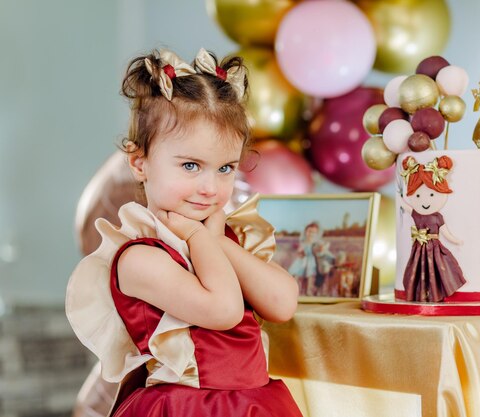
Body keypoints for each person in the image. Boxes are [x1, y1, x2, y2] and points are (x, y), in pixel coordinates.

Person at [65, 48, 302, 417]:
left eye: (225, 168)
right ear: (139, 162)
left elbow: (283, 303)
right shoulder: (140, 257)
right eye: (191, 165)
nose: (210, 187)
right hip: (185, 406)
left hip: (254, 404)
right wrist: (201, 239)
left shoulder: (220, 238)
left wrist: (217, 241)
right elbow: (222, 310)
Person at [398, 155, 466, 302]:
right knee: (417, 269)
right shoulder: (416, 214)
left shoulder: (437, 217)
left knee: (437, 268)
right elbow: (405, 206)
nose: (425, 201)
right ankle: (419, 292)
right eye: (417, 195)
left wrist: (456, 240)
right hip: (418, 248)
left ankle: (436, 292)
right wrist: (399, 194)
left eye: (431, 194)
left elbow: (445, 232)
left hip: (433, 248)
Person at [287, 222, 322, 296]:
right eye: (309, 231)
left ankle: (309, 291)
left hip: (310, 260)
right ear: (306, 232)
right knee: (297, 274)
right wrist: (300, 252)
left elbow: (318, 250)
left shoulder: (315, 243)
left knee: (310, 275)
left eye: (313, 232)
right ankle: (295, 291)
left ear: (316, 234)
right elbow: (300, 251)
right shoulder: (303, 242)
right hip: (302, 261)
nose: (311, 234)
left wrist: (320, 249)